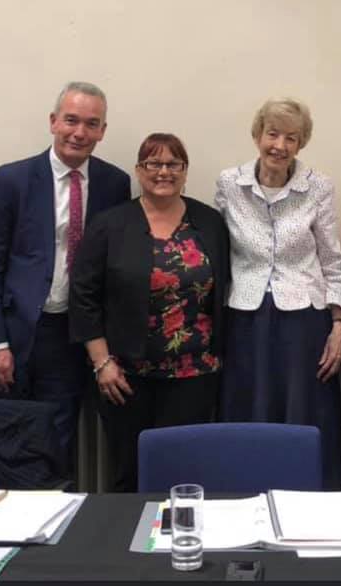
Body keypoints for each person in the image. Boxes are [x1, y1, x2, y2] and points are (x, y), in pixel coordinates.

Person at [0, 81, 131, 473]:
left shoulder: (114, 184)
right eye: (71, 121)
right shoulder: (12, 179)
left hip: (72, 335)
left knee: (59, 444)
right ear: (53, 121)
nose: (79, 132)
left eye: (92, 124)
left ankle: (56, 528)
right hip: (17, 331)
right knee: (5, 441)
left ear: (103, 131)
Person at [69, 133, 230, 492]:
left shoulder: (210, 222)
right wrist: (101, 363)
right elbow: (84, 296)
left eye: (173, 164)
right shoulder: (110, 224)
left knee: (185, 473)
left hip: (196, 375)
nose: (164, 172)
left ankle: (182, 542)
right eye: (153, 164)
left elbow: (225, 287)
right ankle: (129, 546)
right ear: (139, 171)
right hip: (125, 378)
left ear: (185, 171)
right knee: (131, 472)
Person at [216, 97, 341, 489]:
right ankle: (245, 494)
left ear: (301, 143)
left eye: (291, 137)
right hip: (245, 317)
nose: (280, 145)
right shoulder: (229, 183)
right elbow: (217, 251)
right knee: (248, 411)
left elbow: (332, 260)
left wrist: (338, 323)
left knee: (304, 414)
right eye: (273, 134)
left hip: (304, 320)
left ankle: (307, 500)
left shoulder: (318, 187)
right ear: (258, 134)